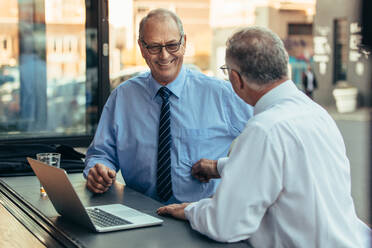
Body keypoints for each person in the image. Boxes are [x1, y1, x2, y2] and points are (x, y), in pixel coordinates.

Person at [157, 26, 371, 247]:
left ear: (236, 78)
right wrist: (219, 167)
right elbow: (291, 169)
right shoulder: (316, 113)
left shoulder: (264, 129)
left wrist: (192, 210)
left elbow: (226, 224)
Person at [83, 9, 253, 204]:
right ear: (141, 47)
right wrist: (98, 169)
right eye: (154, 47)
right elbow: (101, 153)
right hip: (140, 215)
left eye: (172, 45)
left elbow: (265, 149)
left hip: (199, 219)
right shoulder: (122, 97)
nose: (164, 56)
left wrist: (220, 166)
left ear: (184, 43)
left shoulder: (222, 95)